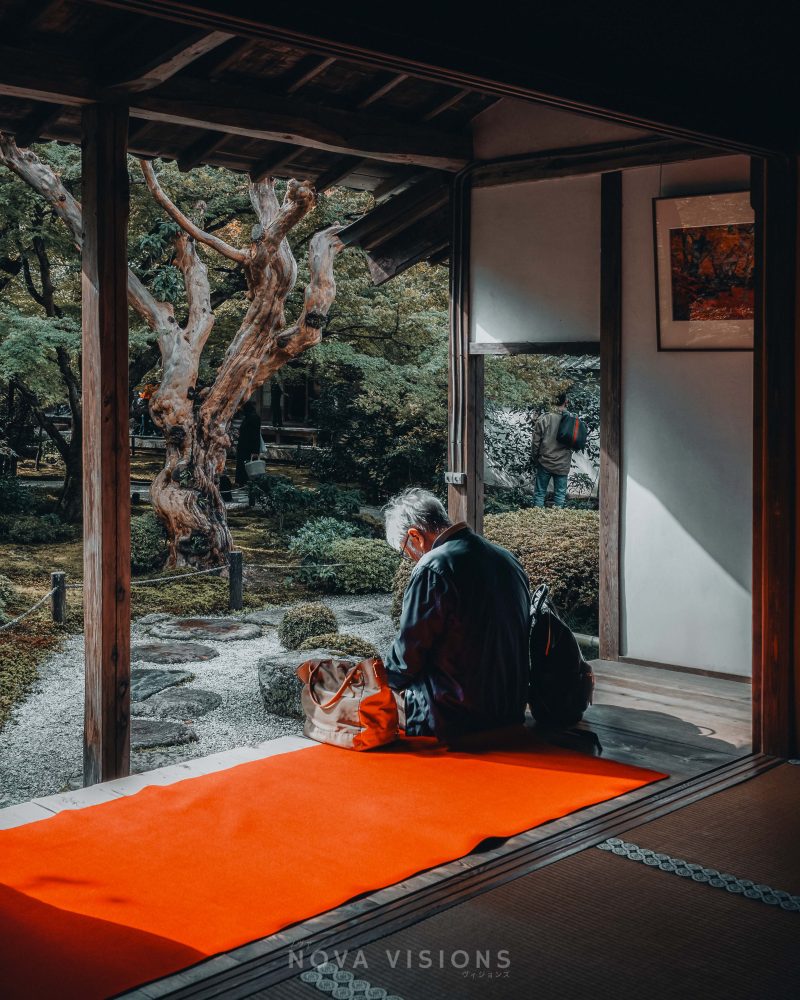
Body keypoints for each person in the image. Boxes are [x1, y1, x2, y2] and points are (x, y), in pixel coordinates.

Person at [383, 488, 531, 740]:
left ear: (415, 536)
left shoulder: (433, 568)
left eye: (404, 550)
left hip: (451, 715)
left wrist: (379, 681)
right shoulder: (508, 559)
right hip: (509, 707)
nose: (408, 558)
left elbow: (407, 658)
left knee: (362, 708)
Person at [531, 391, 573, 508]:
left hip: (545, 461)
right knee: (560, 495)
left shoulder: (544, 419)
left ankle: (536, 519)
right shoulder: (571, 419)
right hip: (562, 463)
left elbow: (535, 443)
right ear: (566, 402)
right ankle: (558, 521)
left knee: (540, 493)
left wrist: (536, 458)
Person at [235, 400, 265, 485]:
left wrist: (255, 451)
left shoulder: (254, 418)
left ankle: (246, 482)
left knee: (248, 466)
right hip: (243, 445)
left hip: (249, 447)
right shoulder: (247, 417)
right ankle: (241, 482)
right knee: (242, 465)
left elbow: (256, 435)